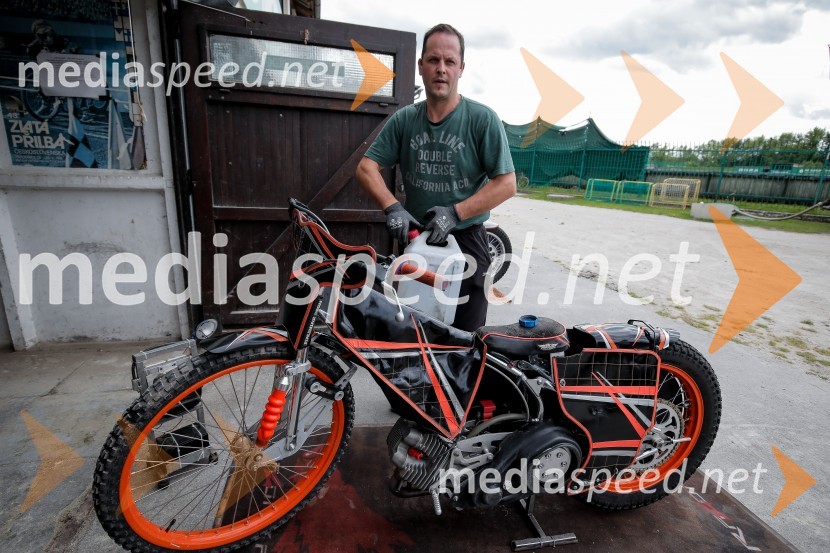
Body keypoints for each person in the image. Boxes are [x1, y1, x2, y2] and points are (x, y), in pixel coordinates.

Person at [356, 23, 516, 333]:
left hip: (468, 243)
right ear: (421, 66)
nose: (441, 69)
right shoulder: (405, 120)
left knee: (465, 340)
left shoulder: (482, 120)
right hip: (417, 242)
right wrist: (393, 207)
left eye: (449, 61)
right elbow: (366, 168)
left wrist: (456, 213)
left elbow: (507, 183)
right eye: (433, 60)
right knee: (412, 333)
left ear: (461, 69)